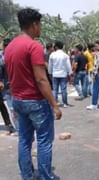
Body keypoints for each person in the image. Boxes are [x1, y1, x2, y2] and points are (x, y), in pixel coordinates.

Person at [5, 8, 62, 180]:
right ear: (34, 24)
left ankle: (27, 176)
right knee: (44, 141)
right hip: (36, 101)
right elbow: (41, 80)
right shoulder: (34, 46)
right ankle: (45, 176)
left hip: (18, 100)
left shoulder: (10, 46)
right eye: (40, 25)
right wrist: (54, 104)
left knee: (24, 140)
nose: (41, 28)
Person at [48, 41, 72, 107]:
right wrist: (70, 73)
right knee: (63, 89)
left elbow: (50, 65)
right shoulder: (65, 55)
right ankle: (65, 103)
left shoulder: (52, 55)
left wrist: (50, 72)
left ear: (56, 47)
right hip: (63, 74)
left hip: (54, 74)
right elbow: (68, 66)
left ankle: (54, 103)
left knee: (55, 89)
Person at [0, 38, 15, 134]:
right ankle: (9, 124)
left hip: (7, 84)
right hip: (6, 84)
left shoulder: (5, 57)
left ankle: (10, 125)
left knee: (3, 105)